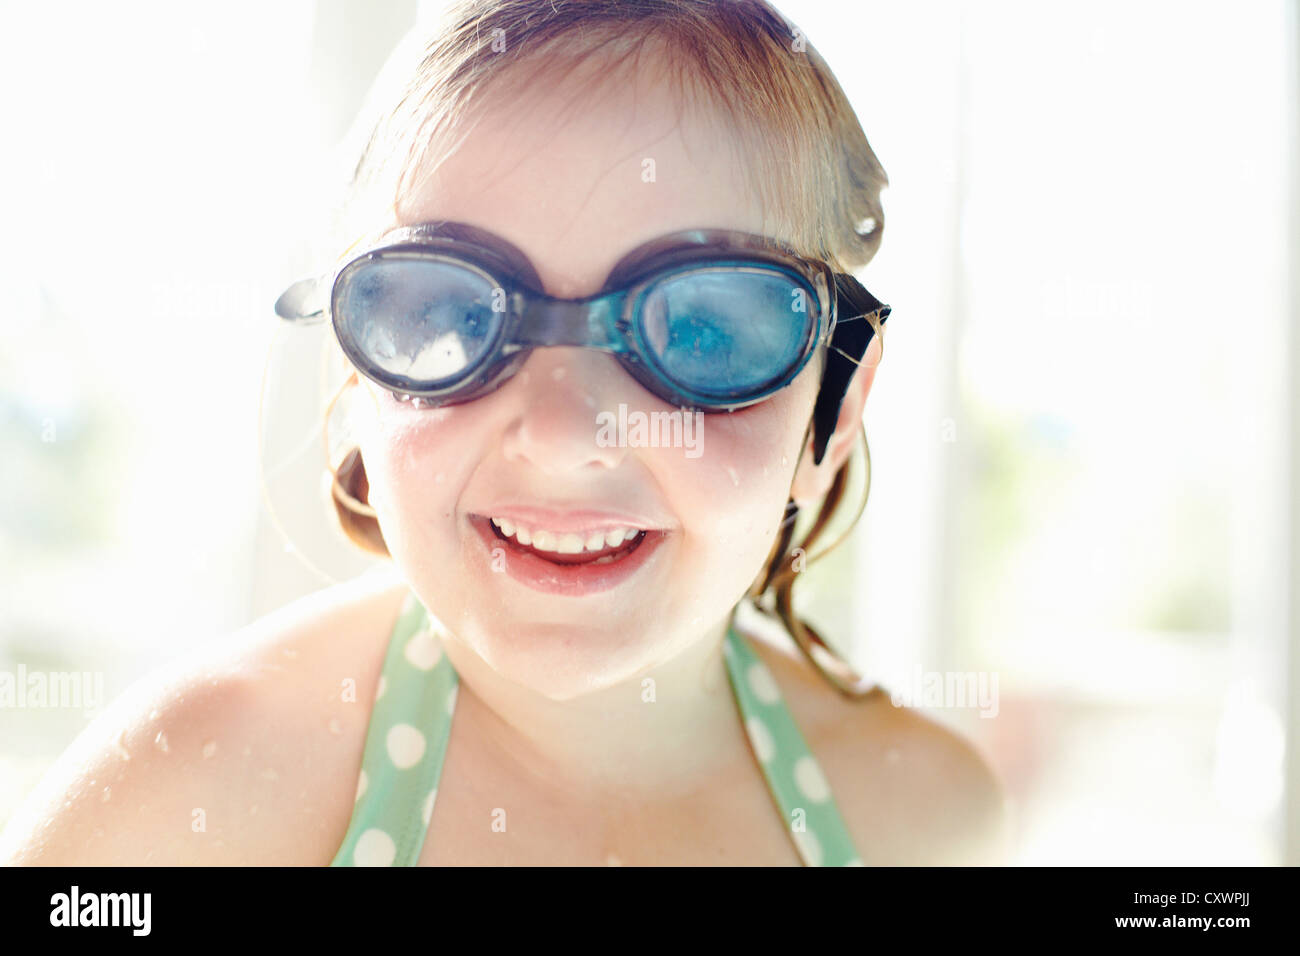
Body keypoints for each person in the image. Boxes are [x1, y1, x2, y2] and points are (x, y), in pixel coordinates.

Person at [0, 0, 1007, 866]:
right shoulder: (188, 805)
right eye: (445, 314)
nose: (566, 433)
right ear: (354, 376)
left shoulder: (921, 814)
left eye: (701, 330)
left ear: (834, 409)